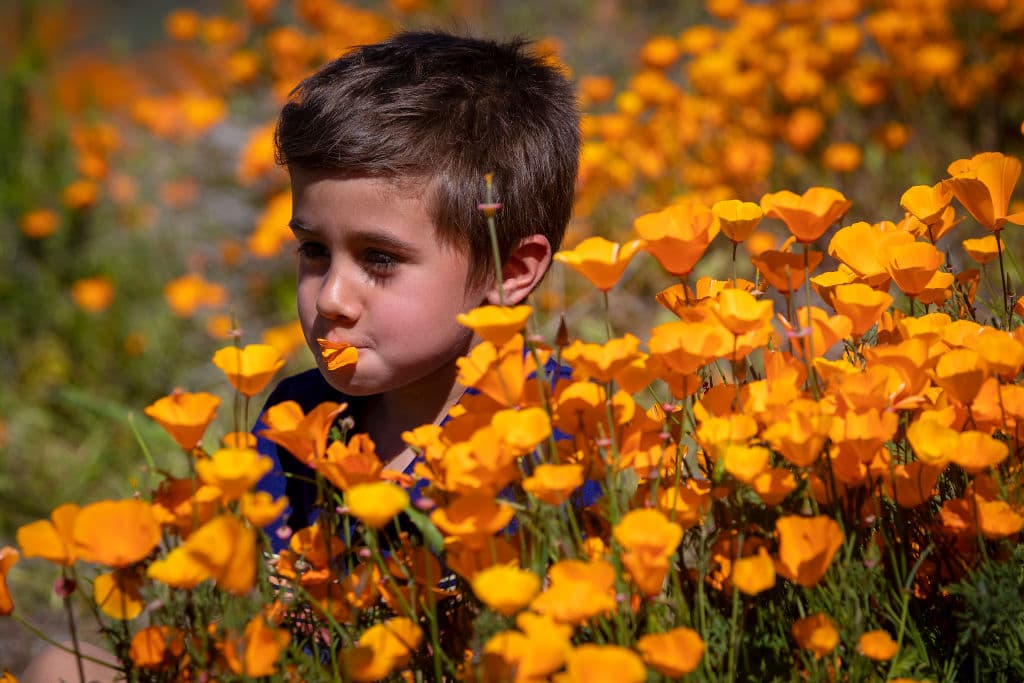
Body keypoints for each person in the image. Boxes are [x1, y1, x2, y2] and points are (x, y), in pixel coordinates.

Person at [254, 30, 581, 550]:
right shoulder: (294, 421)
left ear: (511, 269)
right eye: (314, 250)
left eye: (379, 259)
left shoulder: (565, 430)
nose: (330, 298)